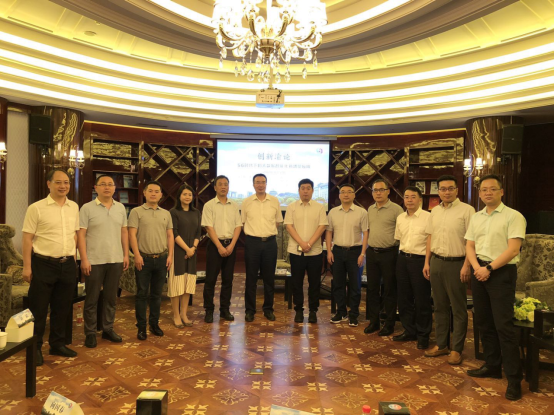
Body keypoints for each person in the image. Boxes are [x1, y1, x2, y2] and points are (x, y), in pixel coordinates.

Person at [465, 174, 526, 401]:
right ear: (480, 193)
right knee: (483, 321)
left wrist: (489, 268)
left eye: (492, 189)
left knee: (504, 326)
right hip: (479, 271)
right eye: (484, 189)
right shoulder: (477, 217)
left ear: (502, 192)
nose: (488, 192)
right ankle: (492, 365)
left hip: (501, 273)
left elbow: (513, 250)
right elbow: (470, 246)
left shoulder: (514, 216)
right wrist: (477, 268)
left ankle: (514, 379)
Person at [22, 169, 80, 366]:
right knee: (38, 309)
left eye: (66, 182)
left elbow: (74, 235)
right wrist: (27, 267)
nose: (63, 186)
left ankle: (57, 344)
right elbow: (27, 239)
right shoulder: (36, 208)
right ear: (49, 184)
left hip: (67, 264)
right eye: (58, 182)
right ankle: (35, 348)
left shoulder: (74, 207)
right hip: (43, 264)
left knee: (62, 308)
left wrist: (74, 259)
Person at [423, 175, 475, 365]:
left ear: (457, 190)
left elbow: (472, 241)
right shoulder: (434, 211)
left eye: (450, 188)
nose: (446, 192)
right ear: (438, 191)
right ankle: (441, 344)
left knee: (458, 308)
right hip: (436, 262)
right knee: (439, 306)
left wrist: (467, 265)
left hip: (457, 263)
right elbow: (430, 237)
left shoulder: (467, 210)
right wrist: (427, 262)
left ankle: (456, 349)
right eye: (443, 189)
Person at [78, 174, 129, 348]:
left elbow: (124, 232)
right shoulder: (87, 208)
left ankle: (108, 329)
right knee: (91, 298)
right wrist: (84, 259)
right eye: (103, 184)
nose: (107, 187)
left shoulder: (120, 208)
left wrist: (126, 255)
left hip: (115, 259)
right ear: (96, 188)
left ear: (115, 188)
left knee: (111, 298)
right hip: (94, 260)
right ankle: (90, 332)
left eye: (110, 184)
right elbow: (81, 235)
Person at [128, 181, 174, 340]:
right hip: (143, 259)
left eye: (157, 191)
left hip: (162, 259)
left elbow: (170, 235)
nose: (153, 194)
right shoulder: (136, 212)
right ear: (145, 193)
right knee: (142, 294)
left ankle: (154, 324)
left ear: (161, 195)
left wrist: (170, 256)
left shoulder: (166, 213)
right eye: (150, 191)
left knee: (156, 295)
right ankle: (141, 327)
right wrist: (136, 255)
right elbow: (132, 234)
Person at [285, 179, 328, 324]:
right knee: (296, 282)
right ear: (298, 190)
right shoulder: (291, 207)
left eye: (308, 188)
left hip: (314, 252)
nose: (305, 191)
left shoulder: (319, 207)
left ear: (312, 190)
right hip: (296, 252)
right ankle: (298, 310)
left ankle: (313, 311)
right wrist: (302, 243)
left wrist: (309, 244)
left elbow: (322, 226)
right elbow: (289, 226)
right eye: (302, 188)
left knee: (314, 283)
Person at [393, 186, 432, 350]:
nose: (409, 200)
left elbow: (430, 242)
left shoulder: (428, 217)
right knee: (404, 298)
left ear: (420, 199)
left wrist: (427, 263)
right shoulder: (400, 217)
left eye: (413, 197)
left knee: (422, 299)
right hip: (402, 259)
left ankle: (423, 335)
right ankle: (409, 330)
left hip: (420, 261)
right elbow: (399, 239)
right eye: (406, 197)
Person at [364, 179, 404, 336]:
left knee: (389, 290)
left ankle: (389, 324)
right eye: (375, 190)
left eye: (381, 190)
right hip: (372, 253)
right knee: (372, 289)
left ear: (388, 191)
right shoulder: (370, 209)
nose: (378, 193)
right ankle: (374, 322)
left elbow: (402, 232)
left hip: (390, 253)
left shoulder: (396, 209)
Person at [242, 174, 284, 322]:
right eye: (257, 182)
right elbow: (243, 222)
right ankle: (250, 310)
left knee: (269, 278)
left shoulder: (274, 201)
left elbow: (277, 222)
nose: (260, 185)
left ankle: (268, 309)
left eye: (263, 182)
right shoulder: (247, 202)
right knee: (251, 278)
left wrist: (266, 233)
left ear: (266, 184)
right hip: (252, 243)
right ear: (253, 184)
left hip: (270, 243)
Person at [326, 183, 369, 327]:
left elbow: (366, 233)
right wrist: (329, 251)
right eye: (343, 192)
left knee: (355, 285)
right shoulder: (333, 212)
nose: (346, 194)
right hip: (337, 251)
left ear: (354, 195)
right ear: (339, 195)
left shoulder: (361, 212)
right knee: (338, 284)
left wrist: (363, 254)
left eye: (349, 191)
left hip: (355, 251)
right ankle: (341, 312)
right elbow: (329, 232)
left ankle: (354, 314)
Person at [202, 175, 242, 324]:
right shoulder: (209, 205)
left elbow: (238, 226)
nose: (223, 187)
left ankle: (225, 310)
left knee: (228, 279)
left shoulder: (234, 205)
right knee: (210, 280)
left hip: (231, 245)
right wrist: (219, 246)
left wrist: (231, 245)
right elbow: (208, 227)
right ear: (215, 187)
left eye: (226, 184)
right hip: (214, 245)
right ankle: (209, 310)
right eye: (220, 184)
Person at [169, 185, 202, 328]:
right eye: (184, 194)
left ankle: (184, 314)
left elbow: (198, 233)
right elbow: (174, 233)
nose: (187, 197)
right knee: (177, 285)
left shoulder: (196, 212)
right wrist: (187, 249)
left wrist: (193, 248)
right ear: (179, 196)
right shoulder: (173, 212)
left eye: (190, 194)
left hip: (192, 252)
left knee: (188, 285)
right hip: (178, 251)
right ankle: (176, 315)